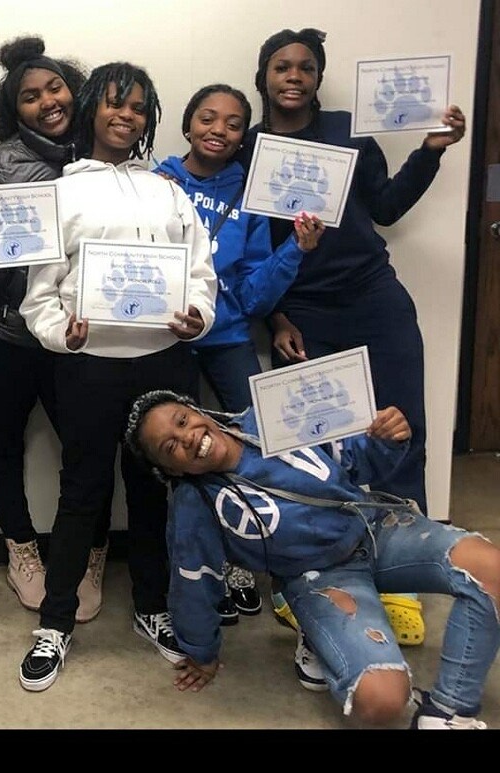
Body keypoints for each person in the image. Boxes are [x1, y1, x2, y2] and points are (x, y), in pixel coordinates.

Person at [243, 27, 466, 646]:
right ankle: (308, 571)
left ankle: (401, 580)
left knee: (400, 432)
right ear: (264, 76)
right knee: (306, 445)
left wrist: (432, 150)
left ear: (318, 77)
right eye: (282, 66)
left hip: (373, 300)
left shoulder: (349, 132)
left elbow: (386, 207)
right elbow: (248, 249)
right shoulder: (248, 146)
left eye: (306, 67)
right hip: (301, 312)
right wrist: (277, 318)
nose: (294, 76)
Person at [124, 389, 500, 729]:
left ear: (196, 410)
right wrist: (201, 652)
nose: (188, 437)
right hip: (318, 578)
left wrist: (389, 438)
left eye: (182, 420)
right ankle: (318, 633)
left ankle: (448, 713)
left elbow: (357, 458)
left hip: (375, 528)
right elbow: (194, 578)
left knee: (491, 570)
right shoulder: (195, 505)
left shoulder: (267, 417)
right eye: (170, 447)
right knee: (382, 702)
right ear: (171, 470)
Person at [16, 61, 217, 691]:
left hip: (164, 363)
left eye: (137, 107)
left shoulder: (168, 191)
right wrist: (62, 333)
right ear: (90, 110)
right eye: (113, 103)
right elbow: (39, 294)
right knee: (83, 493)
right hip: (89, 366)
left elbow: (201, 273)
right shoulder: (60, 192)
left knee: (156, 492)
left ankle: (152, 608)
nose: (125, 116)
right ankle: (56, 623)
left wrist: (198, 316)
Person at [0, 35, 112, 620]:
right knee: (2, 439)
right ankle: (21, 550)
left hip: (83, 332)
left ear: (75, 90)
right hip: (9, 332)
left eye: (55, 88)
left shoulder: (107, 153)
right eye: (30, 96)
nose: (47, 102)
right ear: (12, 110)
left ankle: (91, 553)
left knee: (89, 447)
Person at [156, 84, 325, 623]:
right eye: (207, 118)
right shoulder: (157, 182)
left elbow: (253, 294)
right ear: (187, 124)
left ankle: (249, 560)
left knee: (257, 443)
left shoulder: (250, 195)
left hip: (228, 337)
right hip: (167, 339)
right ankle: (194, 567)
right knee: (175, 456)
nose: (218, 131)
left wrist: (295, 249)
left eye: (233, 124)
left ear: (242, 138)